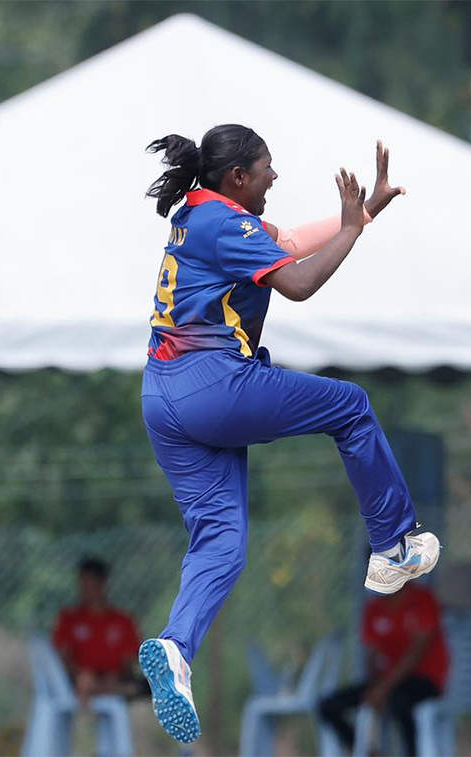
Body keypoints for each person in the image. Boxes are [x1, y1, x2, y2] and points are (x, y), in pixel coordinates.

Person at [138, 125, 440, 744]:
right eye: (266, 169)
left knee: (222, 542)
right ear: (238, 179)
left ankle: (175, 648)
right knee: (351, 407)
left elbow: (294, 243)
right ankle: (393, 544)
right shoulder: (229, 223)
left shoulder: (201, 214)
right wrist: (354, 230)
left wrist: (365, 212)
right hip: (210, 385)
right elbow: (298, 282)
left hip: (161, 395)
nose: (275, 177)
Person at [317, 584, 449, 756]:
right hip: (385, 683)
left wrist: (383, 689)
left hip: (424, 681)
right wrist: (375, 688)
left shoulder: (422, 600)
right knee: (328, 706)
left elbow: (415, 655)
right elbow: (371, 656)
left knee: (400, 700)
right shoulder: (374, 608)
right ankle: (370, 754)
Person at [51, 558, 145, 701]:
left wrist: (114, 676)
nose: (86, 592)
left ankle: (101, 691)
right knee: (84, 683)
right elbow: (62, 657)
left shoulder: (123, 620)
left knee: (145, 686)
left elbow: (131, 659)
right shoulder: (69, 619)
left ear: (103, 584)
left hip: (116, 679)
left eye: (91, 586)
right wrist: (81, 674)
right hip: (79, 681)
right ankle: (89, 710)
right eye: (83, 586)